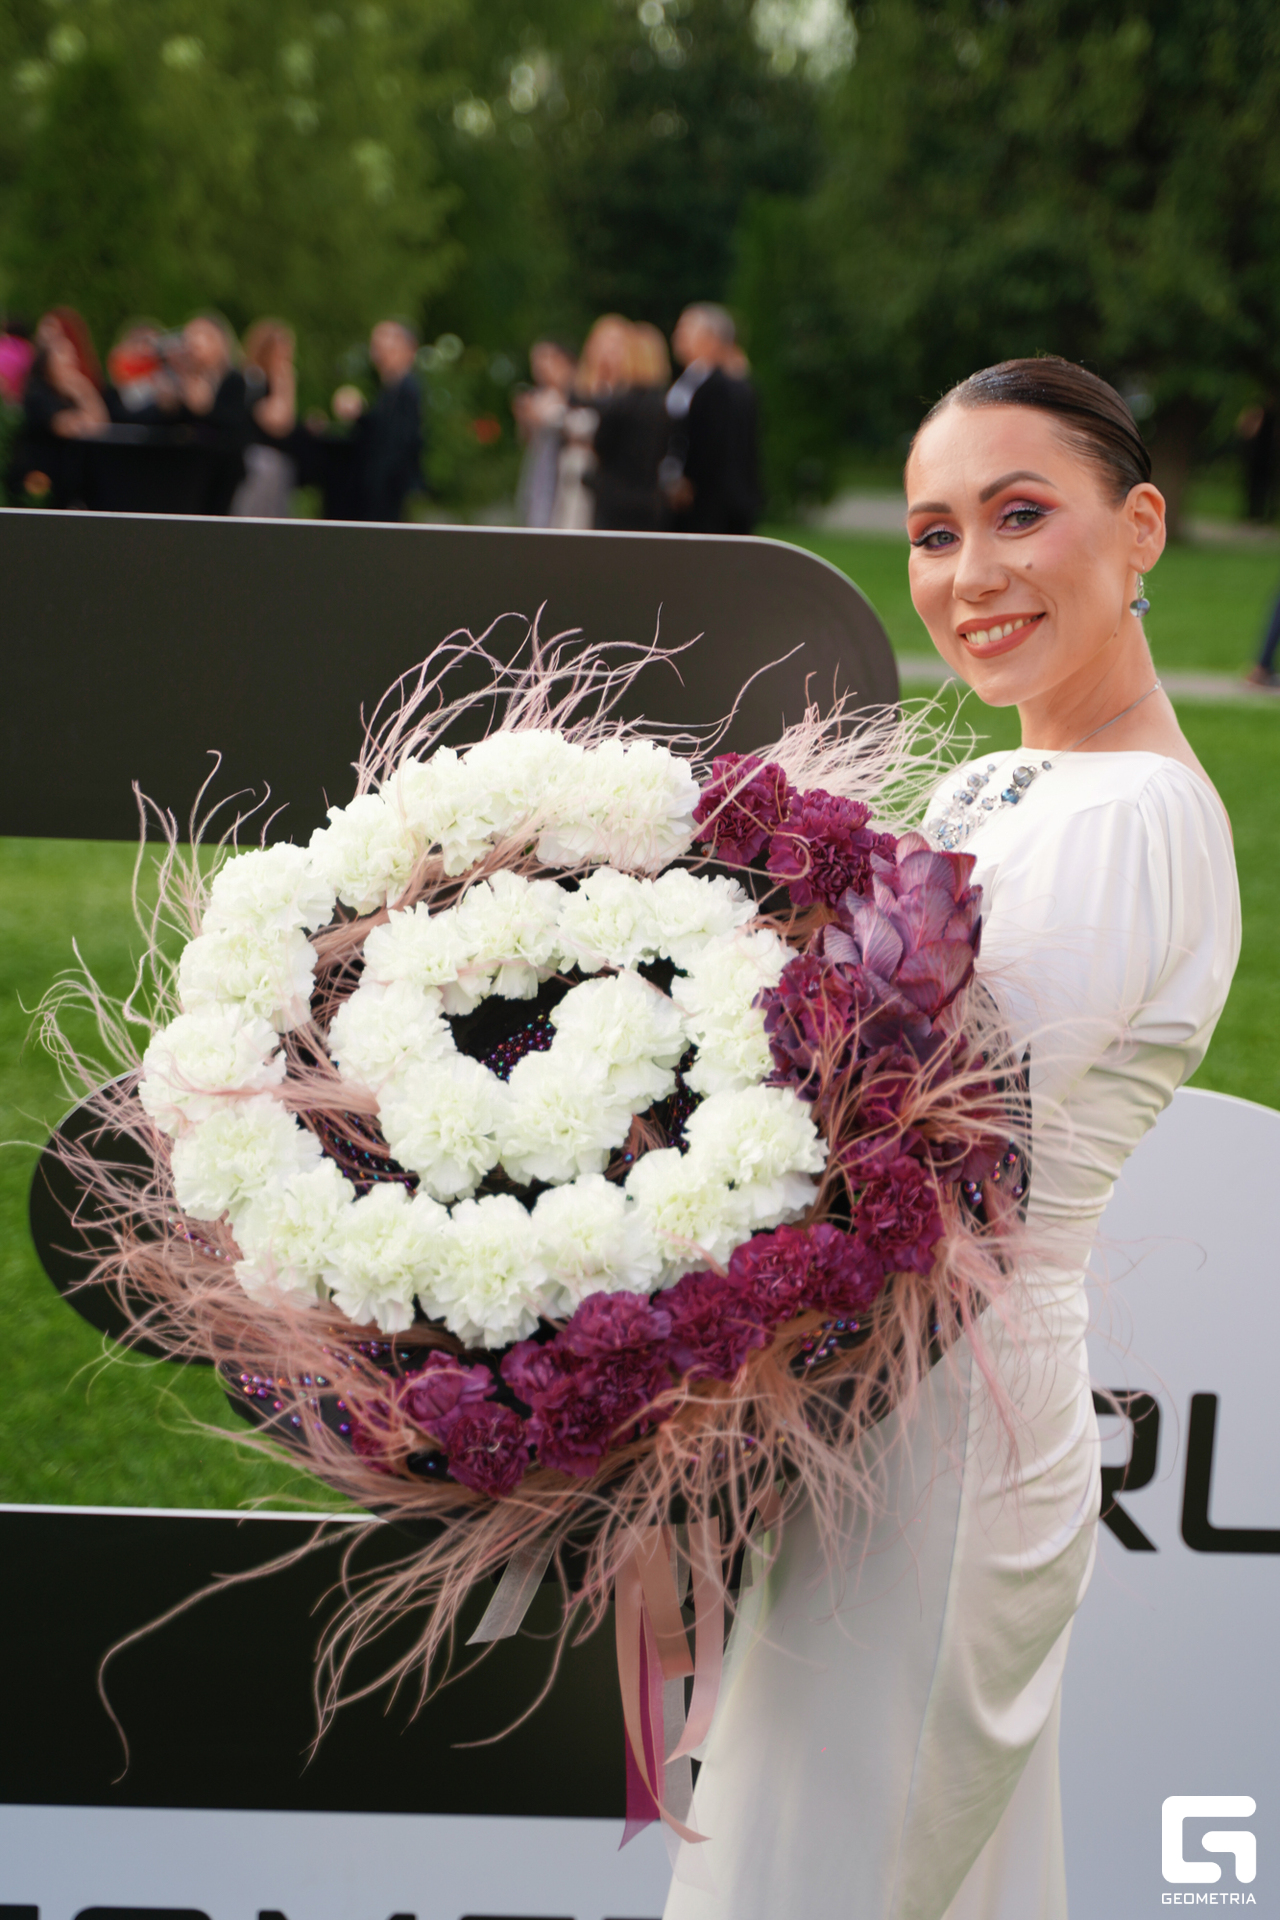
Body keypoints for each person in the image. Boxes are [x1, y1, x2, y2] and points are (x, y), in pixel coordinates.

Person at [665, 358, 1240, 1920]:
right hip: (878, 1417)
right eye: (934, 533)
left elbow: (913, 1153)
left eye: (1020, 515)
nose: (971, 574)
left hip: (943, 1435)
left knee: (804, 1891)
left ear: (1140, 529)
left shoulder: (1129, 821)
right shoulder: (1010, 778)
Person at [662, 303, 760, 535]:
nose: (677, 337)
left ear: (711, 339)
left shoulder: (718, 386)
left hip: (708, 501)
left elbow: (712, 442)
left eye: (686, 330)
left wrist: (685, 479)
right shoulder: (695, 380)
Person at [11, 307, 108, 505]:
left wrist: (83, 390)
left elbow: (101, 426)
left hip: (72, 487)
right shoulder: (38, 393)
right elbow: (70, 427)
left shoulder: (71, 394)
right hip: (41, 485)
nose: (70, 362)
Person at [587, 321, 671, 531]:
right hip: (649, 497)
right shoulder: (663, 405)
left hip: (614, 497)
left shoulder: (619, 405)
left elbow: (600, 446)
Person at [175, 313, 252, 513]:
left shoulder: (234, 380)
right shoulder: (179, 380)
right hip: (189, 470)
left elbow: (236, 423)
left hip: (224, 469)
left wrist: (206, 408)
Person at [354, 319, 424, 521]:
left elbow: (399, 441)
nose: (378, 355)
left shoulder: (406, 389)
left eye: (386, 348)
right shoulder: (391, 389)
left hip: (390, 488)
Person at [231, 318, 299, 518]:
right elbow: (278, 422)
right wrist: (284, 383)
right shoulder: (254, 379)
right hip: (260, 461)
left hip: (276, 462)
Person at [513, 338, 577, 528]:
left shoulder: (577, 392)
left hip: (565, 471)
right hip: (540, 469)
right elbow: (526, 440)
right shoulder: (540, 395)